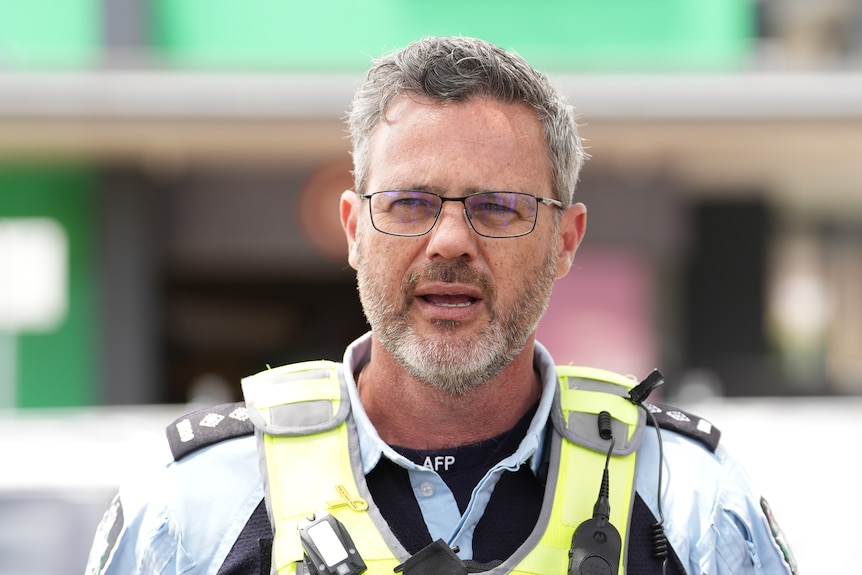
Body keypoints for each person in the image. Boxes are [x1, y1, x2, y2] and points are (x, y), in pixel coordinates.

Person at [85, 36, 797, 575]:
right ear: (354, 228)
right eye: (410, 203)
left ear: (566, 240)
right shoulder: (194, 506)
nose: (450, 240)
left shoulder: (692, 504)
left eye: (499, 206)